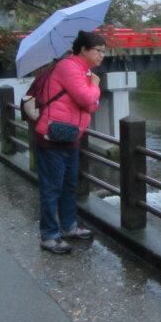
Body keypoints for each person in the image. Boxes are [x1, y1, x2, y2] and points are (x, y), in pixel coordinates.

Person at [34, 30, 106, 254]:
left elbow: (92, 105)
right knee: (52, 187)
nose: (102, 55)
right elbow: (87, 99)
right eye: (98, 51)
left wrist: (91, 91)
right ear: (83, 50)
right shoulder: (69, 67)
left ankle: (68, 227)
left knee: (68, 185)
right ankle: (49, 235)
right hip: (52, 137)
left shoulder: (83, 70)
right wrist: (95, 86)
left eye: (104, 51)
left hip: (70, 136)